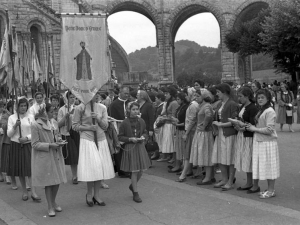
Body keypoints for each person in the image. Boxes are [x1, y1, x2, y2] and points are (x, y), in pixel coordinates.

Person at [72, 94, 115, 207]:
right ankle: (89, 194)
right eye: (92, 93)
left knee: (100, 167)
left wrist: (98, 118)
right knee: (92, 168)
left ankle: (97, 195)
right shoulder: (79, 108)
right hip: (87, 139)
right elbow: (74, 126)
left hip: (101, 139)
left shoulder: (102, 107)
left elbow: (105, 126)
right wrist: (88, 128)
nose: (95, 96)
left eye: (96, 93)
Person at [31, 103, 67, 217]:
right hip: (45, 156)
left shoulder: (54, 122)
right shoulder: (36, 125)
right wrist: (50, 145)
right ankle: (50, 206)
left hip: (56, 154)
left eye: (54, 111)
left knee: (57, 181)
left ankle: (54, 201)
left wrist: (60, 141)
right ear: (44, 112)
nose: (54, 114)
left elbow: (57, 135)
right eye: (51, 111)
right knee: (49, 182)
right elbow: (35, 144)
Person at [246, 89, 280, 199]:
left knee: (270, 167)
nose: (260, 99)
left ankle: (271, 190)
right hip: (260, 141)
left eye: (262, 97)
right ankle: (269, 189)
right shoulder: (261, 110)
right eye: (258, 97)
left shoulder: (270, 111)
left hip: (268, 142)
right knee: (265, 166)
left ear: (268, 99)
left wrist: (254, 129)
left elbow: (270, 129)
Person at [7, 97, 41, 201]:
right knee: (21, 170)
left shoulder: (31, 117)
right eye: (21, 106)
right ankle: (24, 192)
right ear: (17, 107)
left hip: (27, 144)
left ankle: (34, 193)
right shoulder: (12, 118)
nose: (23, 108)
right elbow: (9, 134)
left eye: (25, 105)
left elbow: (36, 132)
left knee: (30, 169)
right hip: (16, 145)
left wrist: (27, 138)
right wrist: (15, 126)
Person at [118, 102, 151, 203]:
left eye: (137, 109)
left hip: (140, 146)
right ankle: (135, 193)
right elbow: (120, 137)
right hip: (131, 147)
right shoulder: (124, 122)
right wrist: (130, 139)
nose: (136, 111)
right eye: (133, 109)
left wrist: (143, 137)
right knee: (134, 171)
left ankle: (133, 186)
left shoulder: (141, 121)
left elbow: (145, 132)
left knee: (141, 170)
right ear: (129, 110)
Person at [212, 83, 239, 190]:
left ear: (224, 92)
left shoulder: (232, 104)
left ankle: (230, 181)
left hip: (229, 134)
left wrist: (221, 124)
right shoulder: (220, 104)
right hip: (220, 134)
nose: (217, 94)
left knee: (230, 158)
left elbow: (235, 120)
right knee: (221, 157)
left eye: (218, 92)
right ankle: (224, 179)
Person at [234, 87, 259, 193]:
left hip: (249, 137)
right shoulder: (244, 106)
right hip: (243, 135)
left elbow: (253, 124)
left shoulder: (252, 108)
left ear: (247, 96)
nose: (239, 98)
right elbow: (242, 119)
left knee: (251, 160)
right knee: (246, 160)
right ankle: (249, 182)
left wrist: (241, 127)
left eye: (241, 96)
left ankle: (255, 185)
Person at [189, 91, 215, 185]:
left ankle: (208, 178)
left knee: (206, 154)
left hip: (204, 133)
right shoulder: (203, 105)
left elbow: (209, 115)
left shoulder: (206, 105)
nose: (195, 97)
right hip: (202, 132)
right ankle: (210, 176)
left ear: (203, 96)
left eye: (198, 95)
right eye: (195, 95)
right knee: (205, 154)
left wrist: (204, 125)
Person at [176, 91, 199, 182]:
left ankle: (183, 174)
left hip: (191, 131)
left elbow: (192, 120)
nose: (186, 96)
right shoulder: (192, 104)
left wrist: (186, 133)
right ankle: (188, 172)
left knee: (188, 153)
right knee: (189, 153)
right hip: (191, 130)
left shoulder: (193, 105)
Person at [108, 86, 130, 177]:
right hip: (118, 128)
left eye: (128, 93)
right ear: (120, 93)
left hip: (129, 128)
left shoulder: (130, 102)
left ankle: (128, 168)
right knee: (119, 149)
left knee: (128, 148)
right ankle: (121, 170)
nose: (127, 95)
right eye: (125, 93)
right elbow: (111, 119)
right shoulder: (114, 104)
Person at [58, 91, 79, 184]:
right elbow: (58, 124)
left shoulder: (78, 108)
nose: (73, 99)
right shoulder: (62, 110)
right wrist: (66, 117)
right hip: (66, 134)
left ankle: (77, 175)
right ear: (66, 98)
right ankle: (71, 175)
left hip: (77, 134)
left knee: (76, 155)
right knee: (69, 156)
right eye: (70, 97)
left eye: (74, 97)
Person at [157, 87, 179, 162]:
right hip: (167, 123)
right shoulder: (168, 102)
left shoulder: (174, 103)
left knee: (172, 141)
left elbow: (174, 116)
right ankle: (169, 156)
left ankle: (173, 157)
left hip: (171, 124)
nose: (165, 95)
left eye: (167, 94)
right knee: (168, 141)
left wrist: (165, 118)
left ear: (171, 94)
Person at [169, 92, 188, 173]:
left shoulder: (186, 107)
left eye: (178, 99)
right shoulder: (181, 107)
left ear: (182, 99)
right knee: (178, 148)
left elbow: (187, 121)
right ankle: (178, 165)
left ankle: (183, 167)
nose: (177, 101)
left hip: (183, 129)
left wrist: (177, 123)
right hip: (178, 128)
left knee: (182, 149)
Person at [0, 101, 17, 188]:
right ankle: (7, 175)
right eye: (13, 107)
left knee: (13, 159)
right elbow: (3, 126)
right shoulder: (5, 115)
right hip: (7, 140)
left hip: (15, 140)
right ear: (10, 107)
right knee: (7, 158)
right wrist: (10, 121)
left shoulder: (17, 115)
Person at [152, 93, 165, 160]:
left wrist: (157, 124)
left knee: (160, 140)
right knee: (157, 140)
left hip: (159, 126)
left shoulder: (162, 107)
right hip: (157, 125)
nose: (155, 100)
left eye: (156, 99)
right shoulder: (159, 106)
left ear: (160, 99)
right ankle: (158, 154)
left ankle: (162, 155)